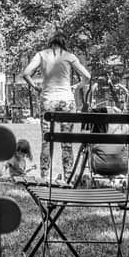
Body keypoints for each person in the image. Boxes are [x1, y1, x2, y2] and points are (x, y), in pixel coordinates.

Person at [22, 31, 91, 180]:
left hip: (48, 100)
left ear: (50, 43)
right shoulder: (69, 56)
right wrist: (76, 87)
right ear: (63, 43)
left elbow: (26, 73)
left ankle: (45, 177)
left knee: (46, 141)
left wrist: (36, 87)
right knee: (67, 142)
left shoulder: (41, 55)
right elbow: (88, 76)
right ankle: (68, 177)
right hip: (66, 101)